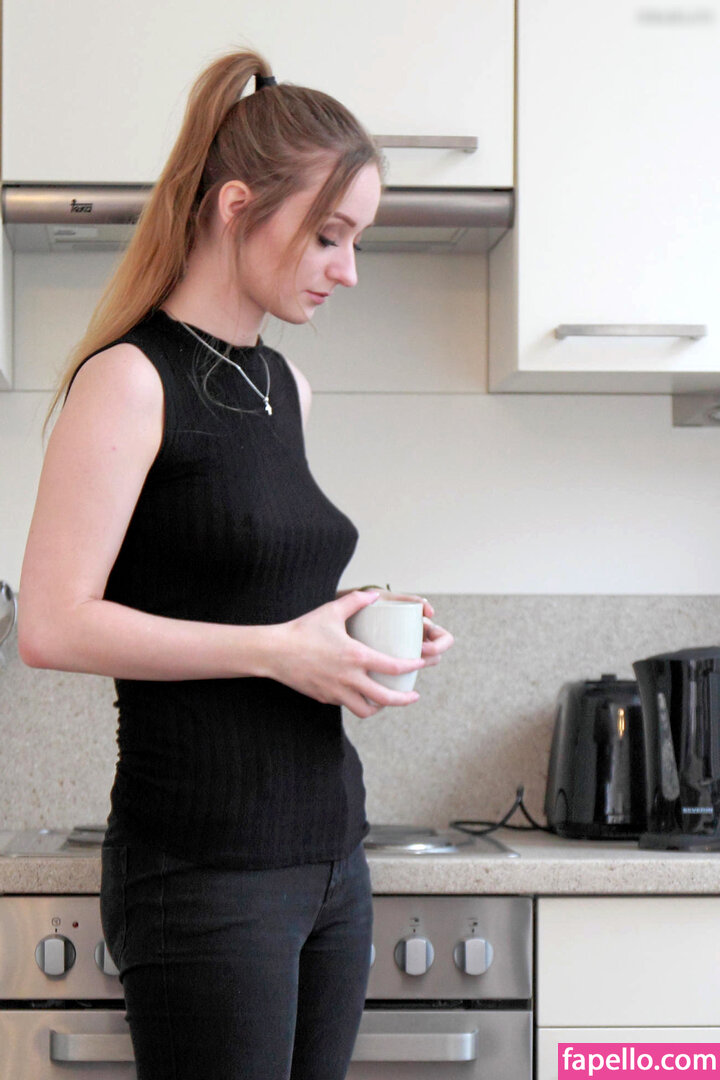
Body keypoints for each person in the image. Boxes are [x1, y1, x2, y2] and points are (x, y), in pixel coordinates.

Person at [18, 48, 453, 1080]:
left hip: (331, 856)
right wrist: (276, 651)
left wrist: (352, 626)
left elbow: (245, 586)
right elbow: (51, 623)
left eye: (356, 240)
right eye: (329, 235)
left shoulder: (284, 385)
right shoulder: (132, 379)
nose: (347, 269)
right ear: (236, 207)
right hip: (204, 868)